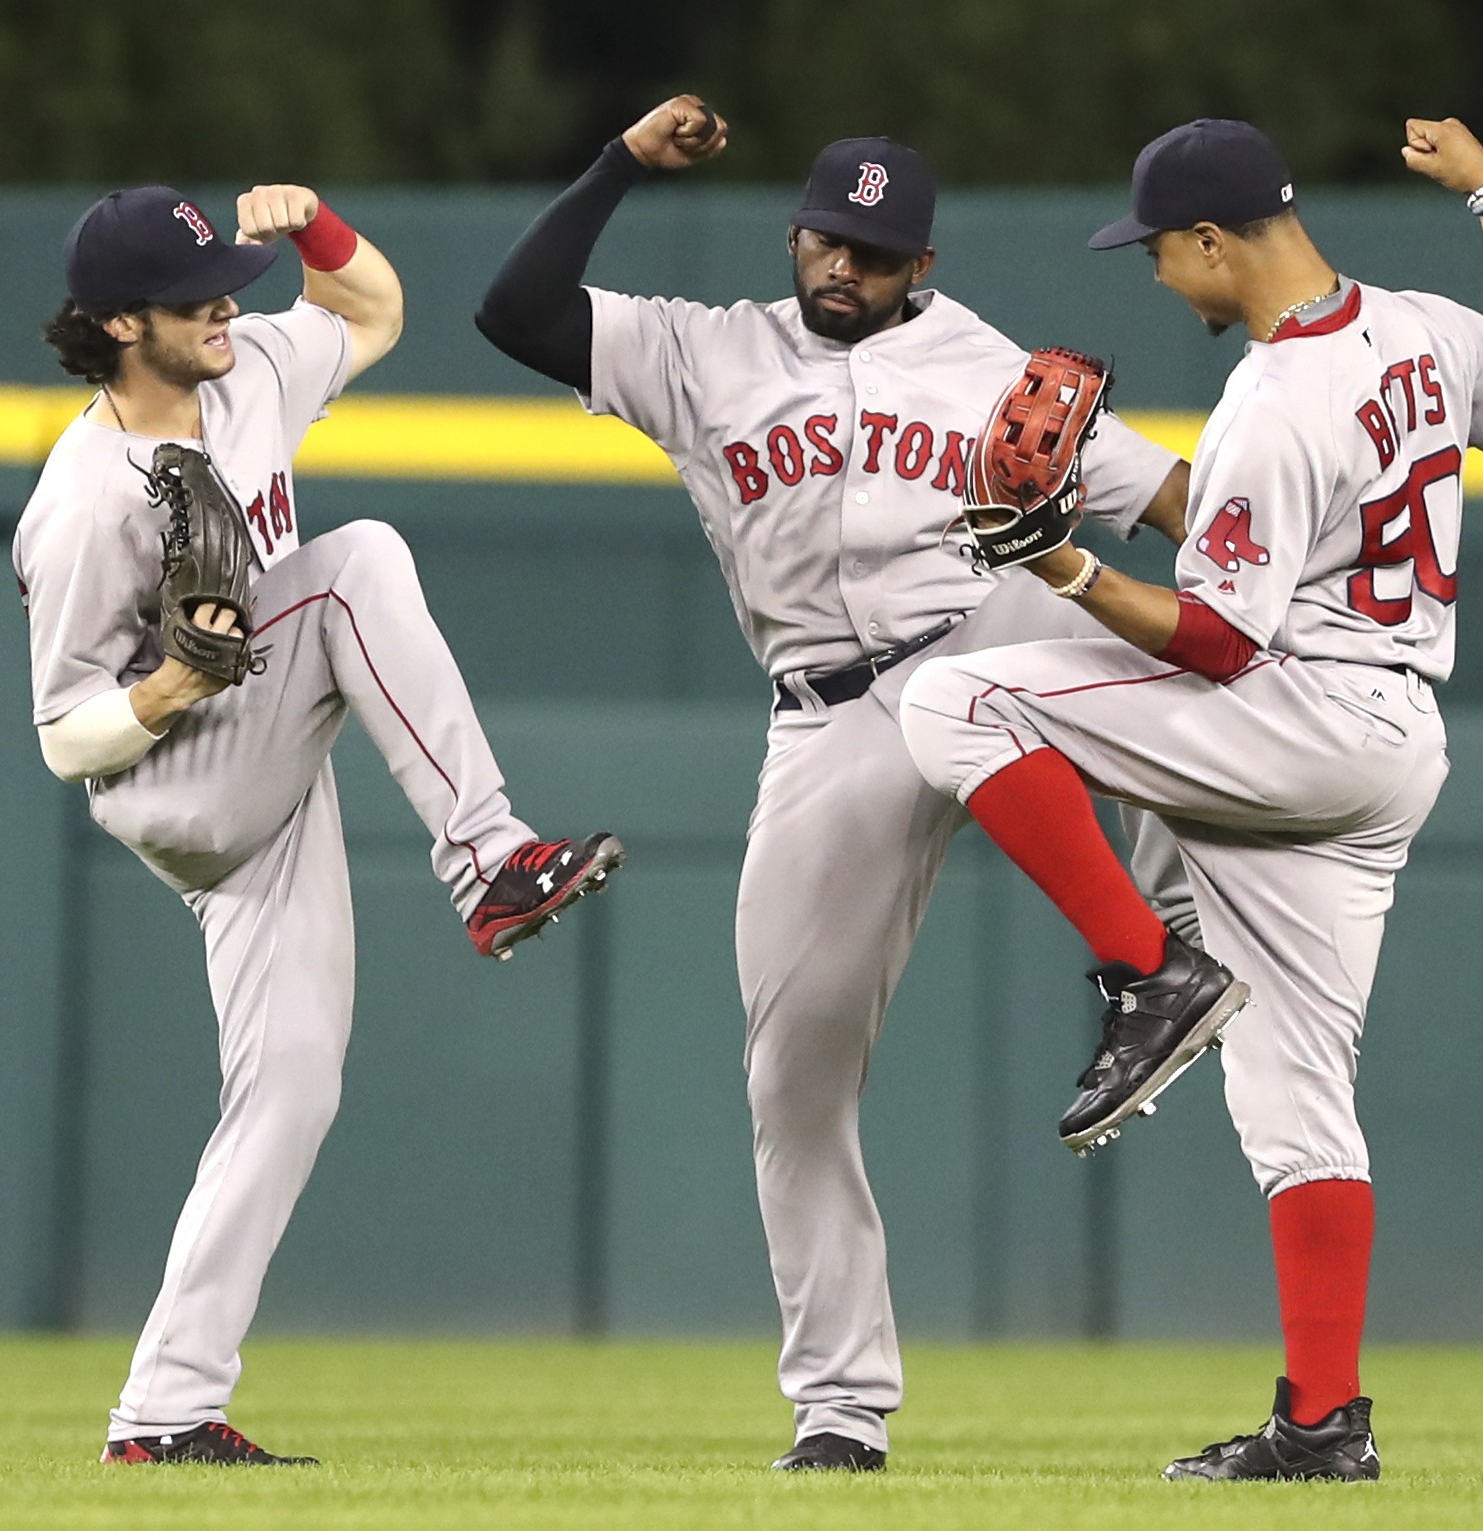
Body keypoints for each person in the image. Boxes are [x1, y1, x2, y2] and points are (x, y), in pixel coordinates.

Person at [476, 97, 1193, 1470]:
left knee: (1157, 646)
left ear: (918, 265)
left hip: (982, 636)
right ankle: (841, 1406)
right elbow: (515, 309)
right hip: (827, 718)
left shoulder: (988, 366)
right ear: (795, 234)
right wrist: (623, 160)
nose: (843, 269)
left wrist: (1278, 537)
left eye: (874, 251)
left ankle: (1169, 952)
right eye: (828, 240)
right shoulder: (702, 350)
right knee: (790, 1076)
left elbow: (1167, 497)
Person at [897, 116, 1483, 1480]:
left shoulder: (1272, 403)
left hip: (1299, 715)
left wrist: (1065, 569)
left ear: (1214, 239)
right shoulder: (1425, 330)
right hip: (1385, 752)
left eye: (1157, 251)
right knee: (1296, 1094)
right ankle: (1321, 1423)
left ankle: (1147, 972)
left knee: (954, 699)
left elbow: (1213, 644)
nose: (1153, 275)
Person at [17, 182, 624, 1465]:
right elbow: (62, 735)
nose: (229, 304)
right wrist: (170, 684)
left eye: (231, 277)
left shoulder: (248, 371)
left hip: (272, 779)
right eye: (196, 298)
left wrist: (319, 233)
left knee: (288, 1093)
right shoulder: (83, 498)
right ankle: (489, 859)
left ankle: (164, 1413)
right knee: (357, 565)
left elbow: (375, 310)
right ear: (123, 323)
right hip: (175, 774)